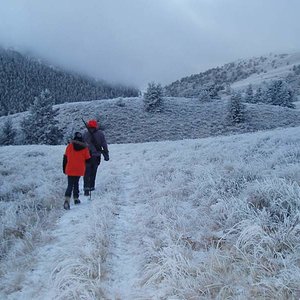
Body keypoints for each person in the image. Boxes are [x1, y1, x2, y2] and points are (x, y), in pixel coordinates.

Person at [63, 132, 91, 210]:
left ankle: (67, 200)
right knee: (76, 183)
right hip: (79, 169)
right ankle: (76, 198)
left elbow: (65, 157)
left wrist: (64, 168)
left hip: (70, 168)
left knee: (70, 185)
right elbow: (88, 160)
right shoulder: (85, 148)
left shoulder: (69, 146)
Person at [83, 119, 109, 196]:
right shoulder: (100, 134)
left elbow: (82, 145)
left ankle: (86, 188)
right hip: (96, 156)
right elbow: (104, 144)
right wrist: (106, 153)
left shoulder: (85, 134)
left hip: (86, 156)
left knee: (86, 173)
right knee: (93, 172)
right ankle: (91, 186)